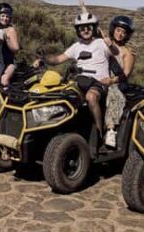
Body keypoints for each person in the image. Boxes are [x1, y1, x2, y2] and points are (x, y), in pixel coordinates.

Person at [34, 11, 120, 141]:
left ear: (94, 28)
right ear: (78, 31)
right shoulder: (76, 46)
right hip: (80, 82)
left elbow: (116, 52)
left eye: (88, 27)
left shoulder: (101, 43)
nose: (85, 30)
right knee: (60, 96)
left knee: (91, 97)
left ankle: (98, 132)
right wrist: (43, 58)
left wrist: (110, 45)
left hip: (99, 83)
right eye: (82, 28)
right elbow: (57, 60)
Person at [103, 15, 136, 148]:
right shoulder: (104, 43)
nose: (120, 34)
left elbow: (126, 73)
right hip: (99, 78)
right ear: (113, 30)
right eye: (118, 30)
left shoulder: (127, 53)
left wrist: (111, 81)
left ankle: (111, 130)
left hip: (116, 83)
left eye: (123, 32)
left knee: (113, 94)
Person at [0, 2, 20, 100]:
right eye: (3, 16)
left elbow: (16, 49)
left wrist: (7, 39)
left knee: (4, 79)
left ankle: (6, 103)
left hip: (8, 62)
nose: (5, 18)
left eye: (7, 16)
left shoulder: (10, 30)